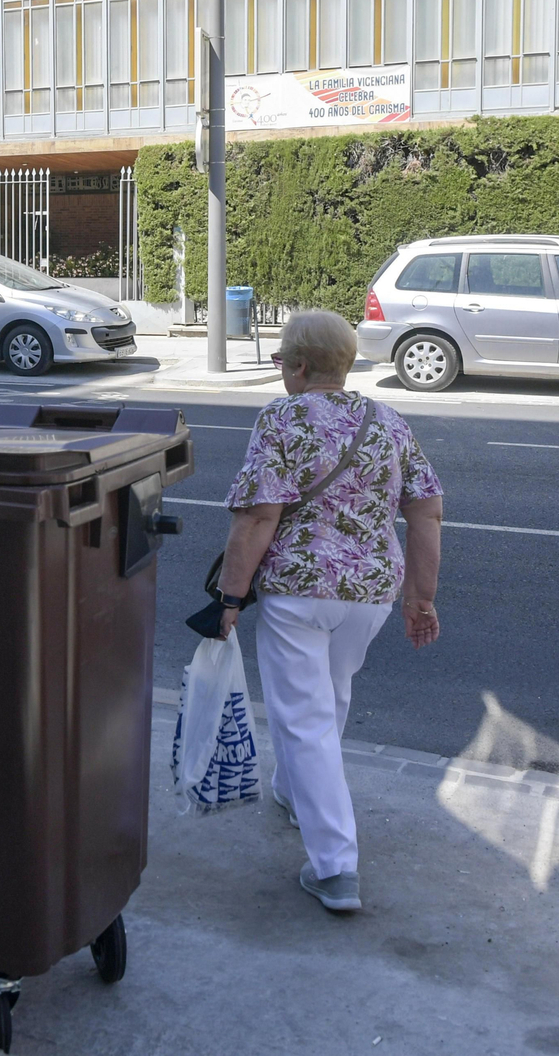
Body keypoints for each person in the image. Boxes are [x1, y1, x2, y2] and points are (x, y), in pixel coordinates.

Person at [216, 309, 443, 912]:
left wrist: (231, 597)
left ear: (298, 365)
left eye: (279, 361)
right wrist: (421, 597)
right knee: (332, 695)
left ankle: (336, 866)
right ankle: (294, 791)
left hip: (299, 589)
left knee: (303, 717)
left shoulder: (281, 418)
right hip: (371, 592)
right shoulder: (389, 420)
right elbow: (427, 510)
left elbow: (258, 516)